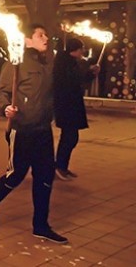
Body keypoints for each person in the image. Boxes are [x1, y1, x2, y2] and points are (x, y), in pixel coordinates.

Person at [0, 24, 68, 244]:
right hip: (22, 129)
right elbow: (1, 93)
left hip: (43, 129)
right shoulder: (16, 64)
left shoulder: (49, 62)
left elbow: (62, 88)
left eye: (46, 33)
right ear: (27, 40)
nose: (45, 37)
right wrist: (5, 107)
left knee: (45, 177)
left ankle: (41, 225)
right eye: (40, 34)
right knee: (16, 175)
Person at [53, 38, 99, 181]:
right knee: (69, 137)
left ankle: (62, 166)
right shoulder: (64, 63)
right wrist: (90, 74)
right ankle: (59, 167)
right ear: (76, 50)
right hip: (66, 106)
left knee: (70, 137)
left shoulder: (71, 63)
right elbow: (72, 81)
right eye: (81, 48)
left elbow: (78, 80)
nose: (83, 51)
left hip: (71, 105)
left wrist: (91, 73)